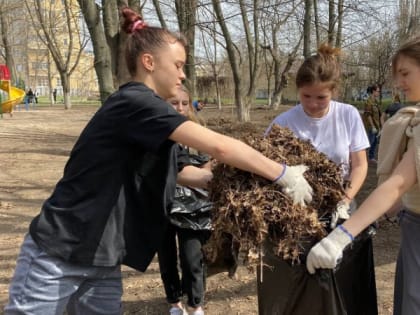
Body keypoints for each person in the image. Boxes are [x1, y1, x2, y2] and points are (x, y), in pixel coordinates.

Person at [4, 7, 313, 315]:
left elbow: (180, 172)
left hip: (103, 256)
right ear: (149, 62)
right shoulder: (135, 102)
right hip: (59, 250)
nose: (182, 74)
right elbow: (220, 146)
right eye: (178, 65)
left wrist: (230, 183)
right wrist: (283, 173)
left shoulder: (150, 114)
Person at [306, 35, 420, 315]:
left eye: (405, 73)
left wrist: (341, 236)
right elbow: (401, 193)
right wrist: (370, 217)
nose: (398, 83)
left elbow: (397, 184)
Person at [260, 43, 376, 315]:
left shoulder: (347, 115)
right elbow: (264, 165)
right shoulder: (284, 122)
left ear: (333, 92)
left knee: (344, 279)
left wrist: (345, 200)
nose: (312, 104)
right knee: (301, 284)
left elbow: (359, 166)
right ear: (297, 91)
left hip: (340, 208)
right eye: (306, 96)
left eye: (321, 97)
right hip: (297, 212)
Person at [158, 86, 211, 315]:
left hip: (195, 209)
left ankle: (195, 303)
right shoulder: (155, 133)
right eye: (173, 103)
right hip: (162, 206)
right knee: (167, 257)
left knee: (193, 258)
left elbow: (209, 164)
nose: (180, 108)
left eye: (184, 103)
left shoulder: (198, 132)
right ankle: (174, 303)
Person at [363, 83, 382, 163]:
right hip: (372, 126)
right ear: (373, 91)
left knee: (374, 142)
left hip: (377, 125)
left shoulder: (376, 102)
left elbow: (379, 114)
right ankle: (359, 156)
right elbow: (368, 115)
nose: (379, 93)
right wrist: (372, 126)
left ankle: (371, 157)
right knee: (370, 142)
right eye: (377, 91)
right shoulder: (369, 102)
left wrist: (380, 126)